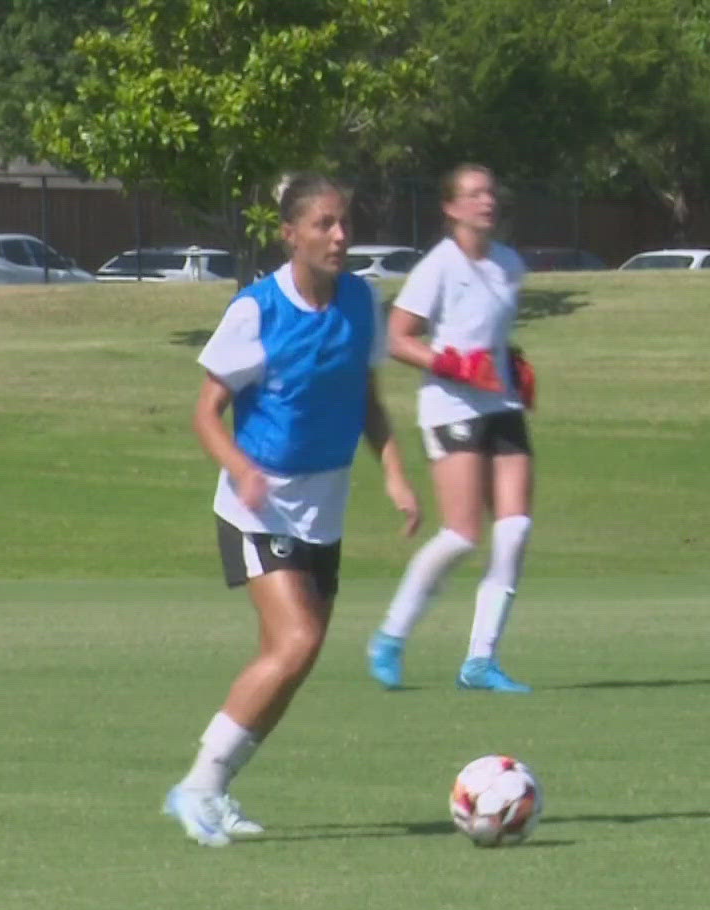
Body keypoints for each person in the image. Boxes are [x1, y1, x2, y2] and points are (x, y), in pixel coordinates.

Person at [163, 173, 420, 847]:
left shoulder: (364, 302)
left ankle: (215, 789)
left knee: (294, 658)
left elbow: (364, 396)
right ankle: (193, 787)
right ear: (290, 233)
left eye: (346, 223)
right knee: (298, 640)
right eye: (325, 224)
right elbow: (206, 414)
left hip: (324, 508)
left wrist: (393, 469)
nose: (340, 236)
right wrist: (242, 468)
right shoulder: (256, 312)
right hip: (258, 509)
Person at [366, 164, 536, 693]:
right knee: (462, 536)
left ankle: (480, 660)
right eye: (473, 194)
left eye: (490, 191)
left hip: (501, 404)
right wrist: (453, 365)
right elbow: (397, 337)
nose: (486, 201)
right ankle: (391, 636)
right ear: (451, 207)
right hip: (451, 408)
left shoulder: (509, 263)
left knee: (515, 530)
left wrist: (513, 363)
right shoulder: (438, 266)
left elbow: (489, 331)